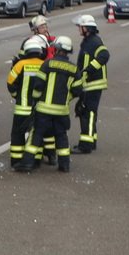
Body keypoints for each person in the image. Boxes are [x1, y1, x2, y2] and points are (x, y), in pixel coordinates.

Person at [14, 35, 81, 173]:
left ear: (56, 49)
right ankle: (64, 165)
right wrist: (67, 99)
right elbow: (78, 90)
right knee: (61, 136)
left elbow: (38, 86)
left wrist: (35, 102)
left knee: (36, 135)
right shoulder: (74, 69)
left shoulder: (48, 64)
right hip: (62, 111)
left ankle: (27, 163)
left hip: (44, 109)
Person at [6, 37, 47, 167]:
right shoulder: (44, 65)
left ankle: (16, 160)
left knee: (18, 134)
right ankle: (36, 160)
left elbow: (10, 83)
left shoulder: (20, 65)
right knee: (37, 134)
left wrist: (16, 95)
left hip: (22, 108)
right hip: (39, 108)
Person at [72, 14, 109, 153]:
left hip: (93, 84)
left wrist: (89, 69)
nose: (78, 30)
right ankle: (91, 140)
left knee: (88, 112)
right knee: (86, 111)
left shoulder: (94, 41)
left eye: (80, 27)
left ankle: (85, 145)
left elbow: (104, 55)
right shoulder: (88, 41)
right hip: (88, 84)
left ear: (86, 28)